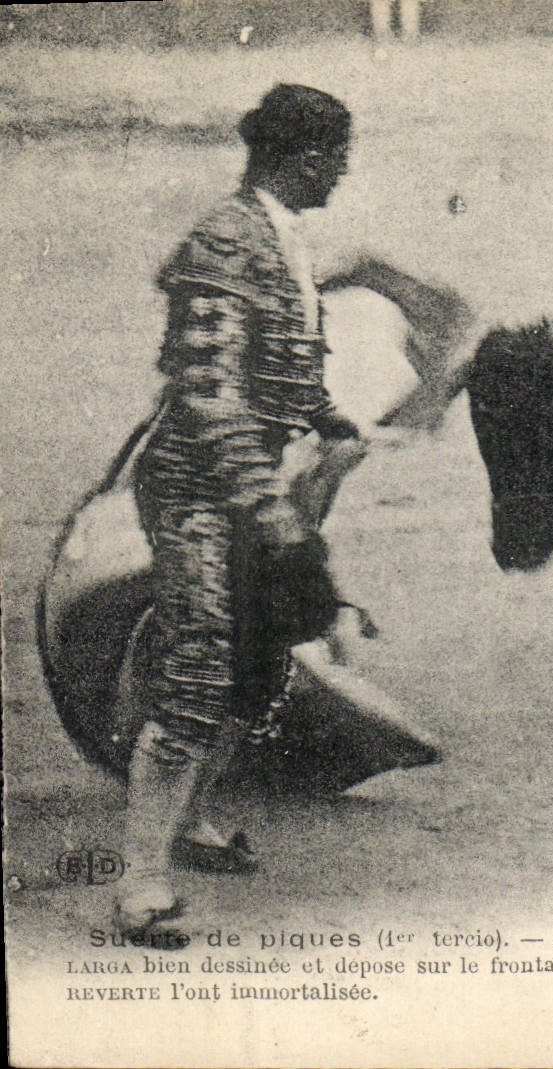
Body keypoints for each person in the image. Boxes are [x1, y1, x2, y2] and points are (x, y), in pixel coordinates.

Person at [114, 84, 365, 937]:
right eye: (339, 156)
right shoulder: (225, 242)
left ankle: (184, 825)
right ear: (308, 158)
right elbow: (211, 393)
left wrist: (325, 414)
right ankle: (139, 880)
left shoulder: (276, 235)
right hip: (196, 489)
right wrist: (273, 509)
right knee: (197, 671)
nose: (344, 172)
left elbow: (279, 360)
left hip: (248, 486)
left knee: (253, 668)